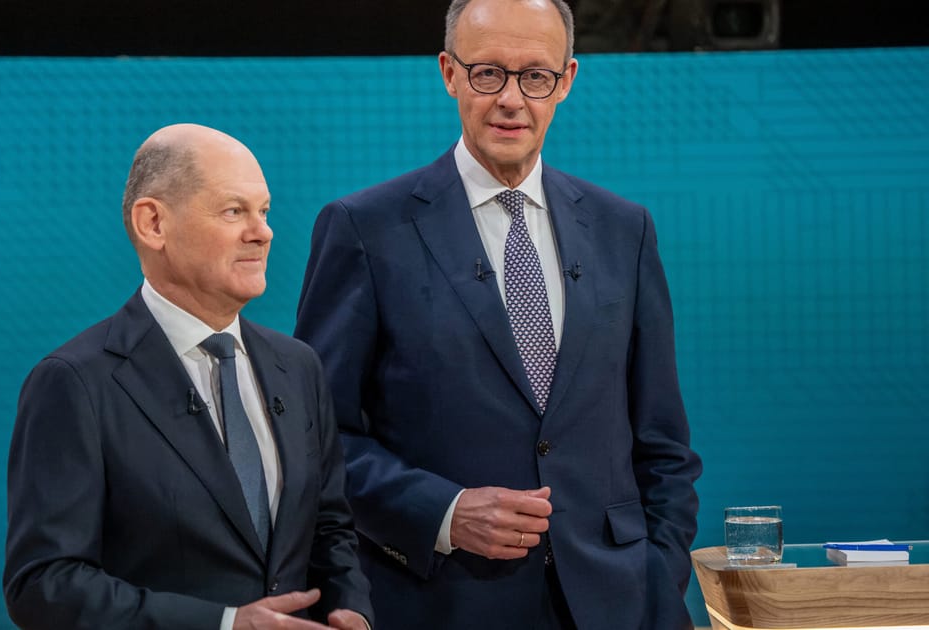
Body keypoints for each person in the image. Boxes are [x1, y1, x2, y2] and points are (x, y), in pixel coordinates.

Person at [293, 0, 702, 628]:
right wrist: (444, 512)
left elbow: (663, 442)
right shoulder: (365, 230)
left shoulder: (625, 230)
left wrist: (657, 580)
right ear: (449, 73)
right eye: (488, 73)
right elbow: (319, 438)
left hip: (614, 604)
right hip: (442, 603)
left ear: (566, 80)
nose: (511, 99)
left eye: (535, 76)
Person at [4, 123, 373, 630]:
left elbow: (330, 529)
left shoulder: (298, 367)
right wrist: (226, 624)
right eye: (234, 211)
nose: (263, 232)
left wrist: (351, 611)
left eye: (264, 211)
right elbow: (44, 585)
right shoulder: (75, 383)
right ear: (153, 223)